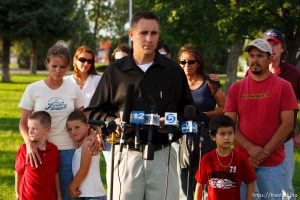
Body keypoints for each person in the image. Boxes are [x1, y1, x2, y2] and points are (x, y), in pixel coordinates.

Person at [85, 12, 193, 200]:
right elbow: (93, 111)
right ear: (131, 34)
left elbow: (189, 111)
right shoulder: (115, 71)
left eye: (154, 33)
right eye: (144, 33)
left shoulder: (173, 71)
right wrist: (114, 121)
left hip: (164, 154)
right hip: (126, 153)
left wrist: (173, 121)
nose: (149, 39)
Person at [224, 38, 298, 199]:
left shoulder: (284, 87)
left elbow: (288, 124)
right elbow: (228, 124)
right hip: (242, 161)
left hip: (272, 164)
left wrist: (263, 153)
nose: (254, 60)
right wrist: (250, 148)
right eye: (251, 56)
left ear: (270, 58)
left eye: (260, 56)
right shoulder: (236, 88)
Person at [18, 43, 89, 200]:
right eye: (54, 66)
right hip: (40, 151)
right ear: (46, 64)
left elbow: (81, 117)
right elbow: (23, 122)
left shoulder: (73, 88)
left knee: (64, 195)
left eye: (62, 67)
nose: (58, 71)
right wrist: (29, 144)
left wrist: (83, 138)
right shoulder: (33, 89)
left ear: (68, 66)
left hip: (67, 150)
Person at [177, 44, 226, 200]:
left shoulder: (209, 83)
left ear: (198, 63)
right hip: (181, 139)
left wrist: (206, 115)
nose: (186, 65)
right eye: (182, 62)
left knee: (206, 182)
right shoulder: (176, 84)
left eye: (191, 62)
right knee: (184, 184)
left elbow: (225, 108)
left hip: (205, 138)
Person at [263, 29, 300, 200]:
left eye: (275, 44)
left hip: (284, 140)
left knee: (285, 189)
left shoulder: (294, 73)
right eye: (268, 44)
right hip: (258, 140)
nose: (271, 48)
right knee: (260, 185)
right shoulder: (253, 71)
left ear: (282, 48)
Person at [194, 115, 256, 200]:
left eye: (230, 133)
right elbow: (200, 184)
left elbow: (251, 182)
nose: (227, 137)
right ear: (213, 136)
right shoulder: (206, 159)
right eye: (222, 134)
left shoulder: (240, 158)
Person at [15, 111, 61, 200]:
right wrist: (17, 193)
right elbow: (18, 172)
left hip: (49, 196)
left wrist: (59, 195)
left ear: (46, 130)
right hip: (28, 197)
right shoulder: (25, 149)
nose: (30, 131)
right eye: (29, 128)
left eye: (34, 128)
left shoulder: (54, 150)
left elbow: (56, 174)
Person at [66, 111, 106, 200]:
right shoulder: (83, 143)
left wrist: (71, 187)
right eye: (70, 129)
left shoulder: (88, 143)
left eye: (77, 127)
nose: (73, 131)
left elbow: (84, 169)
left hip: (93, 196)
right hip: (85, 195)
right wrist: (92, 132)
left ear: (87, 126)